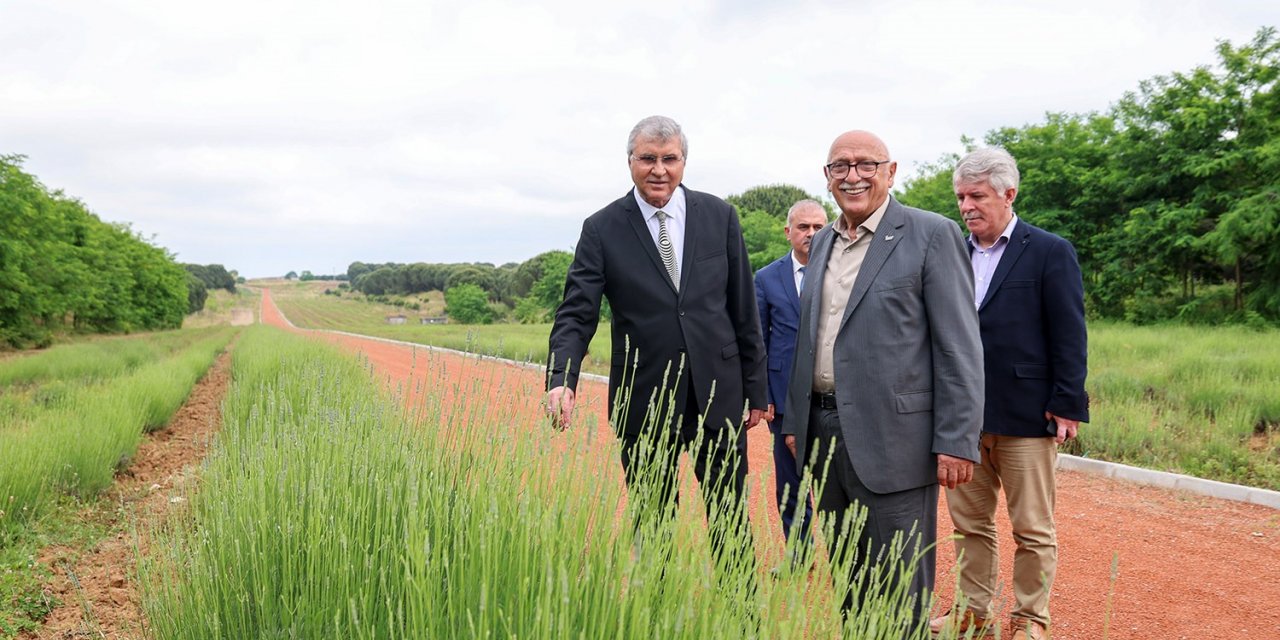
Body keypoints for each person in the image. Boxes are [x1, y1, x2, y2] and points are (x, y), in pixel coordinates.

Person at [780, 130, 984, 628]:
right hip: (824, 437)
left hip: (897, 443)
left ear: (891, 172)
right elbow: (810, 338)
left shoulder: (930, 234)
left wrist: (957, 439)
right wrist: (795, 420)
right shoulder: (823, 240)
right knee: (849, 581)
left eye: (866, 164)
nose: (853, 175)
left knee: (898, 587)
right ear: (827, 178)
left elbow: (958, 344)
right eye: (840, 166)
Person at [545, 115, 767, 571]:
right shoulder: (601, 228)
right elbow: (577, 312)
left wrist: (756, 388)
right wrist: (561, 377)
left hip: (716, 392)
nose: (659, 169)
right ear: (630, 161)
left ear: (684, 161)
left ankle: (743, 619)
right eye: (648, 158)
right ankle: (661, 610)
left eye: (670, 159)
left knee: (730, 518)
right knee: (653, 520)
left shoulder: (719, 216)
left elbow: (743, 307)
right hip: (643, 397)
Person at [929, 148, 1089, 640]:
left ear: (1008, 194)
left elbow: (1069, 331)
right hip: (963, 421)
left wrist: (1067, 403)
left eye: (977, 195)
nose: (967, 205)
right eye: (961, 196)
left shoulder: (1048, 250)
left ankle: (1028, 621)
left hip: (1026, 415)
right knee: (970, 526)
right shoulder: (950, 251)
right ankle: (972, 615)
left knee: (1033, 530)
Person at [754, 199, 827, 547]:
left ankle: (847, 558)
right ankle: (799, 552)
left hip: (833, 394)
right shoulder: (766, 278)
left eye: (818, 227)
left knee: (834, 478)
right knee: (790, 479)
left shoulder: (841, 271)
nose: (811, 234)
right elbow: (758, 342)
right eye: (803, 227)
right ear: (788, 232)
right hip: (783, 398)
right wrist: (763, 395)